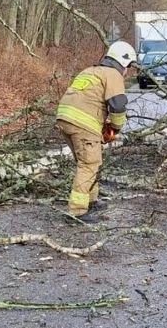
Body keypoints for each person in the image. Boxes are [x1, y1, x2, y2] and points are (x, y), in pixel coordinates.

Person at [55, 40, 134, 222]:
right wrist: (115, 128)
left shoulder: (90, 71)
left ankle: (91, 200)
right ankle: (77, 211)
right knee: (89, 165)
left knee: (90, 162)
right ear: (123, 62)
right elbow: (118, 105)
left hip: (65, 118)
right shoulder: (113, 74)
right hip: (83, 122)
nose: (127, 71)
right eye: (128, 66)